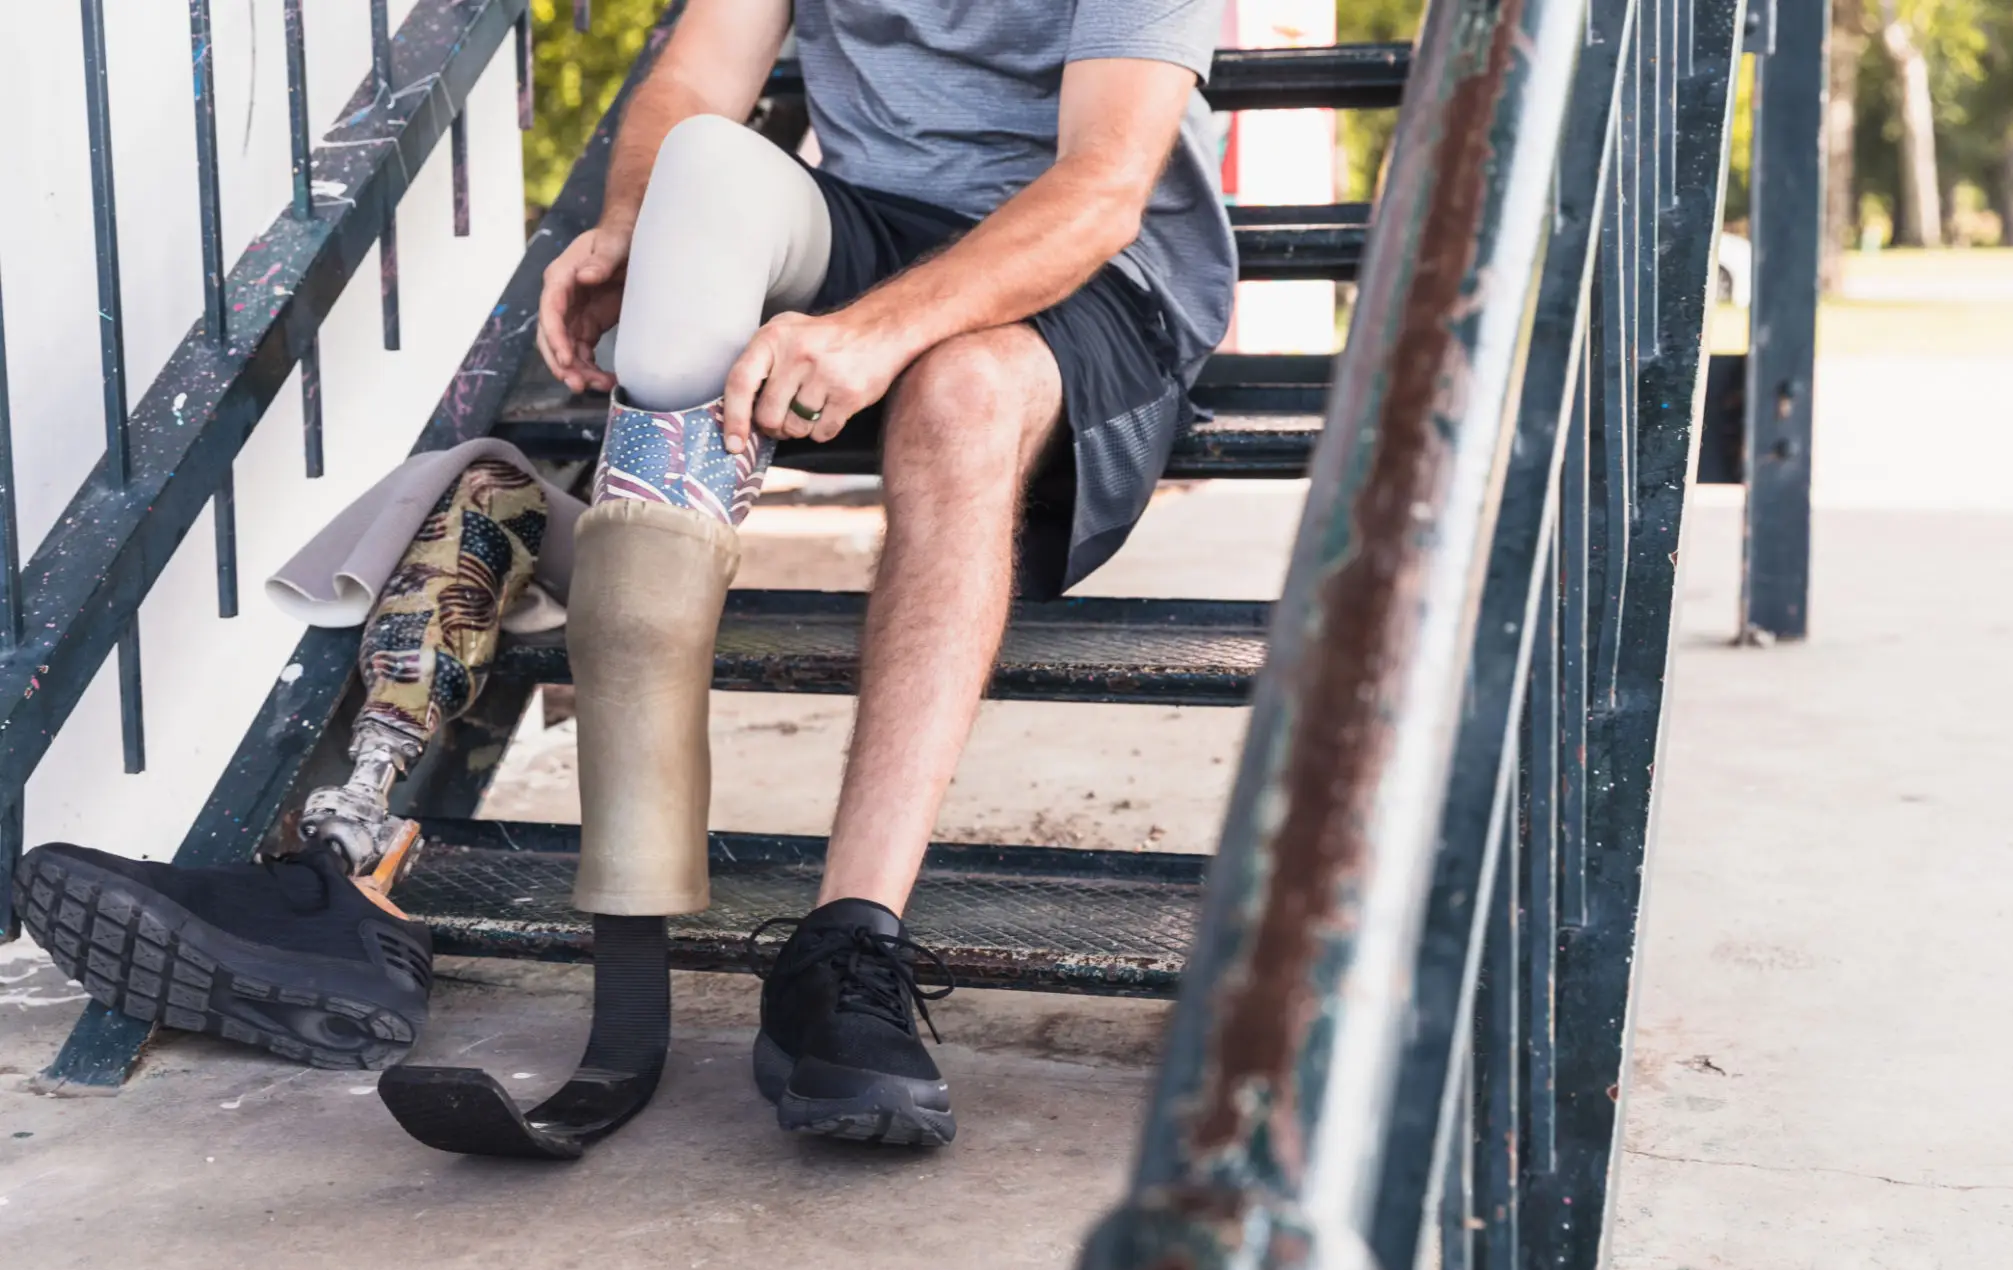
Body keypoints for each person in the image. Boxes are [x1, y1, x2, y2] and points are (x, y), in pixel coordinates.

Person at [16, 0, 1234, 1148]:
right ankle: (373, 882)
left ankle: (847, 946)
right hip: (869, 227)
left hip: (1089, 281)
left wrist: (876, 336)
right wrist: (628, 228)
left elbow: (1099, 192)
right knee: (701, 163)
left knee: (959, 392)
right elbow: (697, 77)